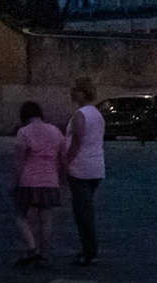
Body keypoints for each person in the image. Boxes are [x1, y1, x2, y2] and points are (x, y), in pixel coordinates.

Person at [10, 101, 65, 268]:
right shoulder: (55, 131)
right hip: (50, 180)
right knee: (46, 219)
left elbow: (19, 161)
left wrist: (14, 182)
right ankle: (44, 255)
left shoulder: (23, 132)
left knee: (20, 215)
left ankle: (31, 246)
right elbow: (62, 157)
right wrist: (62, 178)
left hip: (29, 180)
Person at [62, 77, 105, 267]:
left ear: (82, 92)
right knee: (85, 209)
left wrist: (66, 162)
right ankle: (88, 249)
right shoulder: (97, 114)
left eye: (75, 90)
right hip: (96, 167)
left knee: (82, 212)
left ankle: (89, 251)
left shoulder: (80, 115)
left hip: (80, 168)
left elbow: (76, 142)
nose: (72, 93)